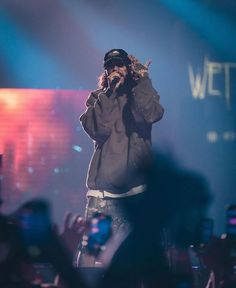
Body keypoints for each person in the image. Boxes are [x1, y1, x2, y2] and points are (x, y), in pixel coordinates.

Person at [78, 48, 164, 267]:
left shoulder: (140, 93)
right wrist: (110, 94)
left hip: (137, 191)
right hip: (103, 194)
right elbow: (98, 129)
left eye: (120, 64)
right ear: (106, 72)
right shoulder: (98, 99)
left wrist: (143, 81)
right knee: (92, 253)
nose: (115, 68)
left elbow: (151, 114)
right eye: (110, 66)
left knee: (143, 257)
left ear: (128, 67)